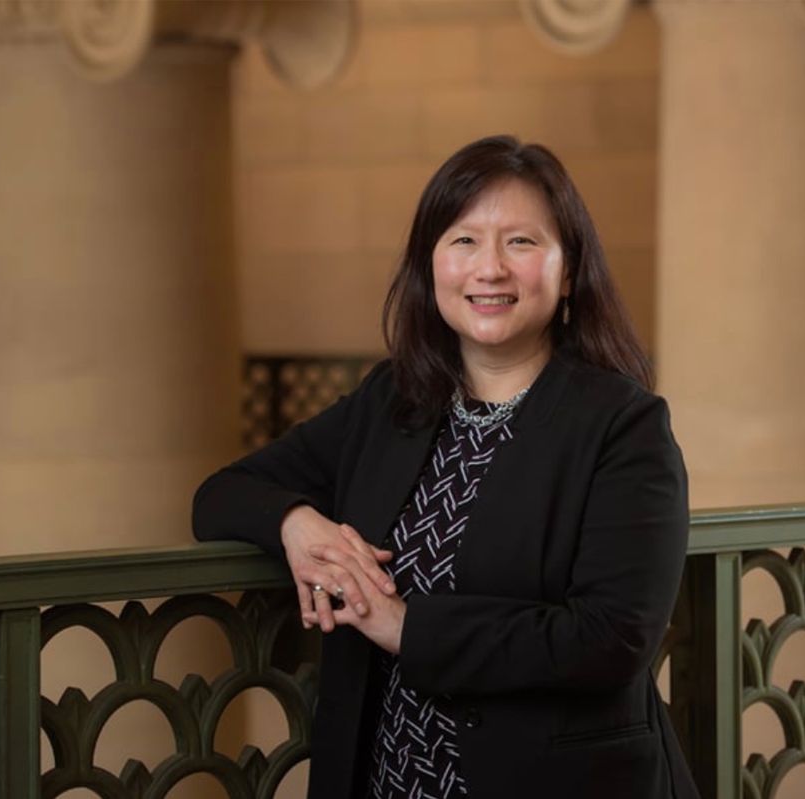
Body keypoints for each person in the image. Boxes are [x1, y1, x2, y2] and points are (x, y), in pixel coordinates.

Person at [192, 135, 697, 799]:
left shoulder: (621, 425)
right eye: (463, 240)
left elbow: (612, 637)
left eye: (521, 242)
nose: (489, 268)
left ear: (569, 270)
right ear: (430, 264)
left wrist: (407, 628)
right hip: (387, 779)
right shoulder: (392, 400)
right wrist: (298, 524)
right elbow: (220, 494)